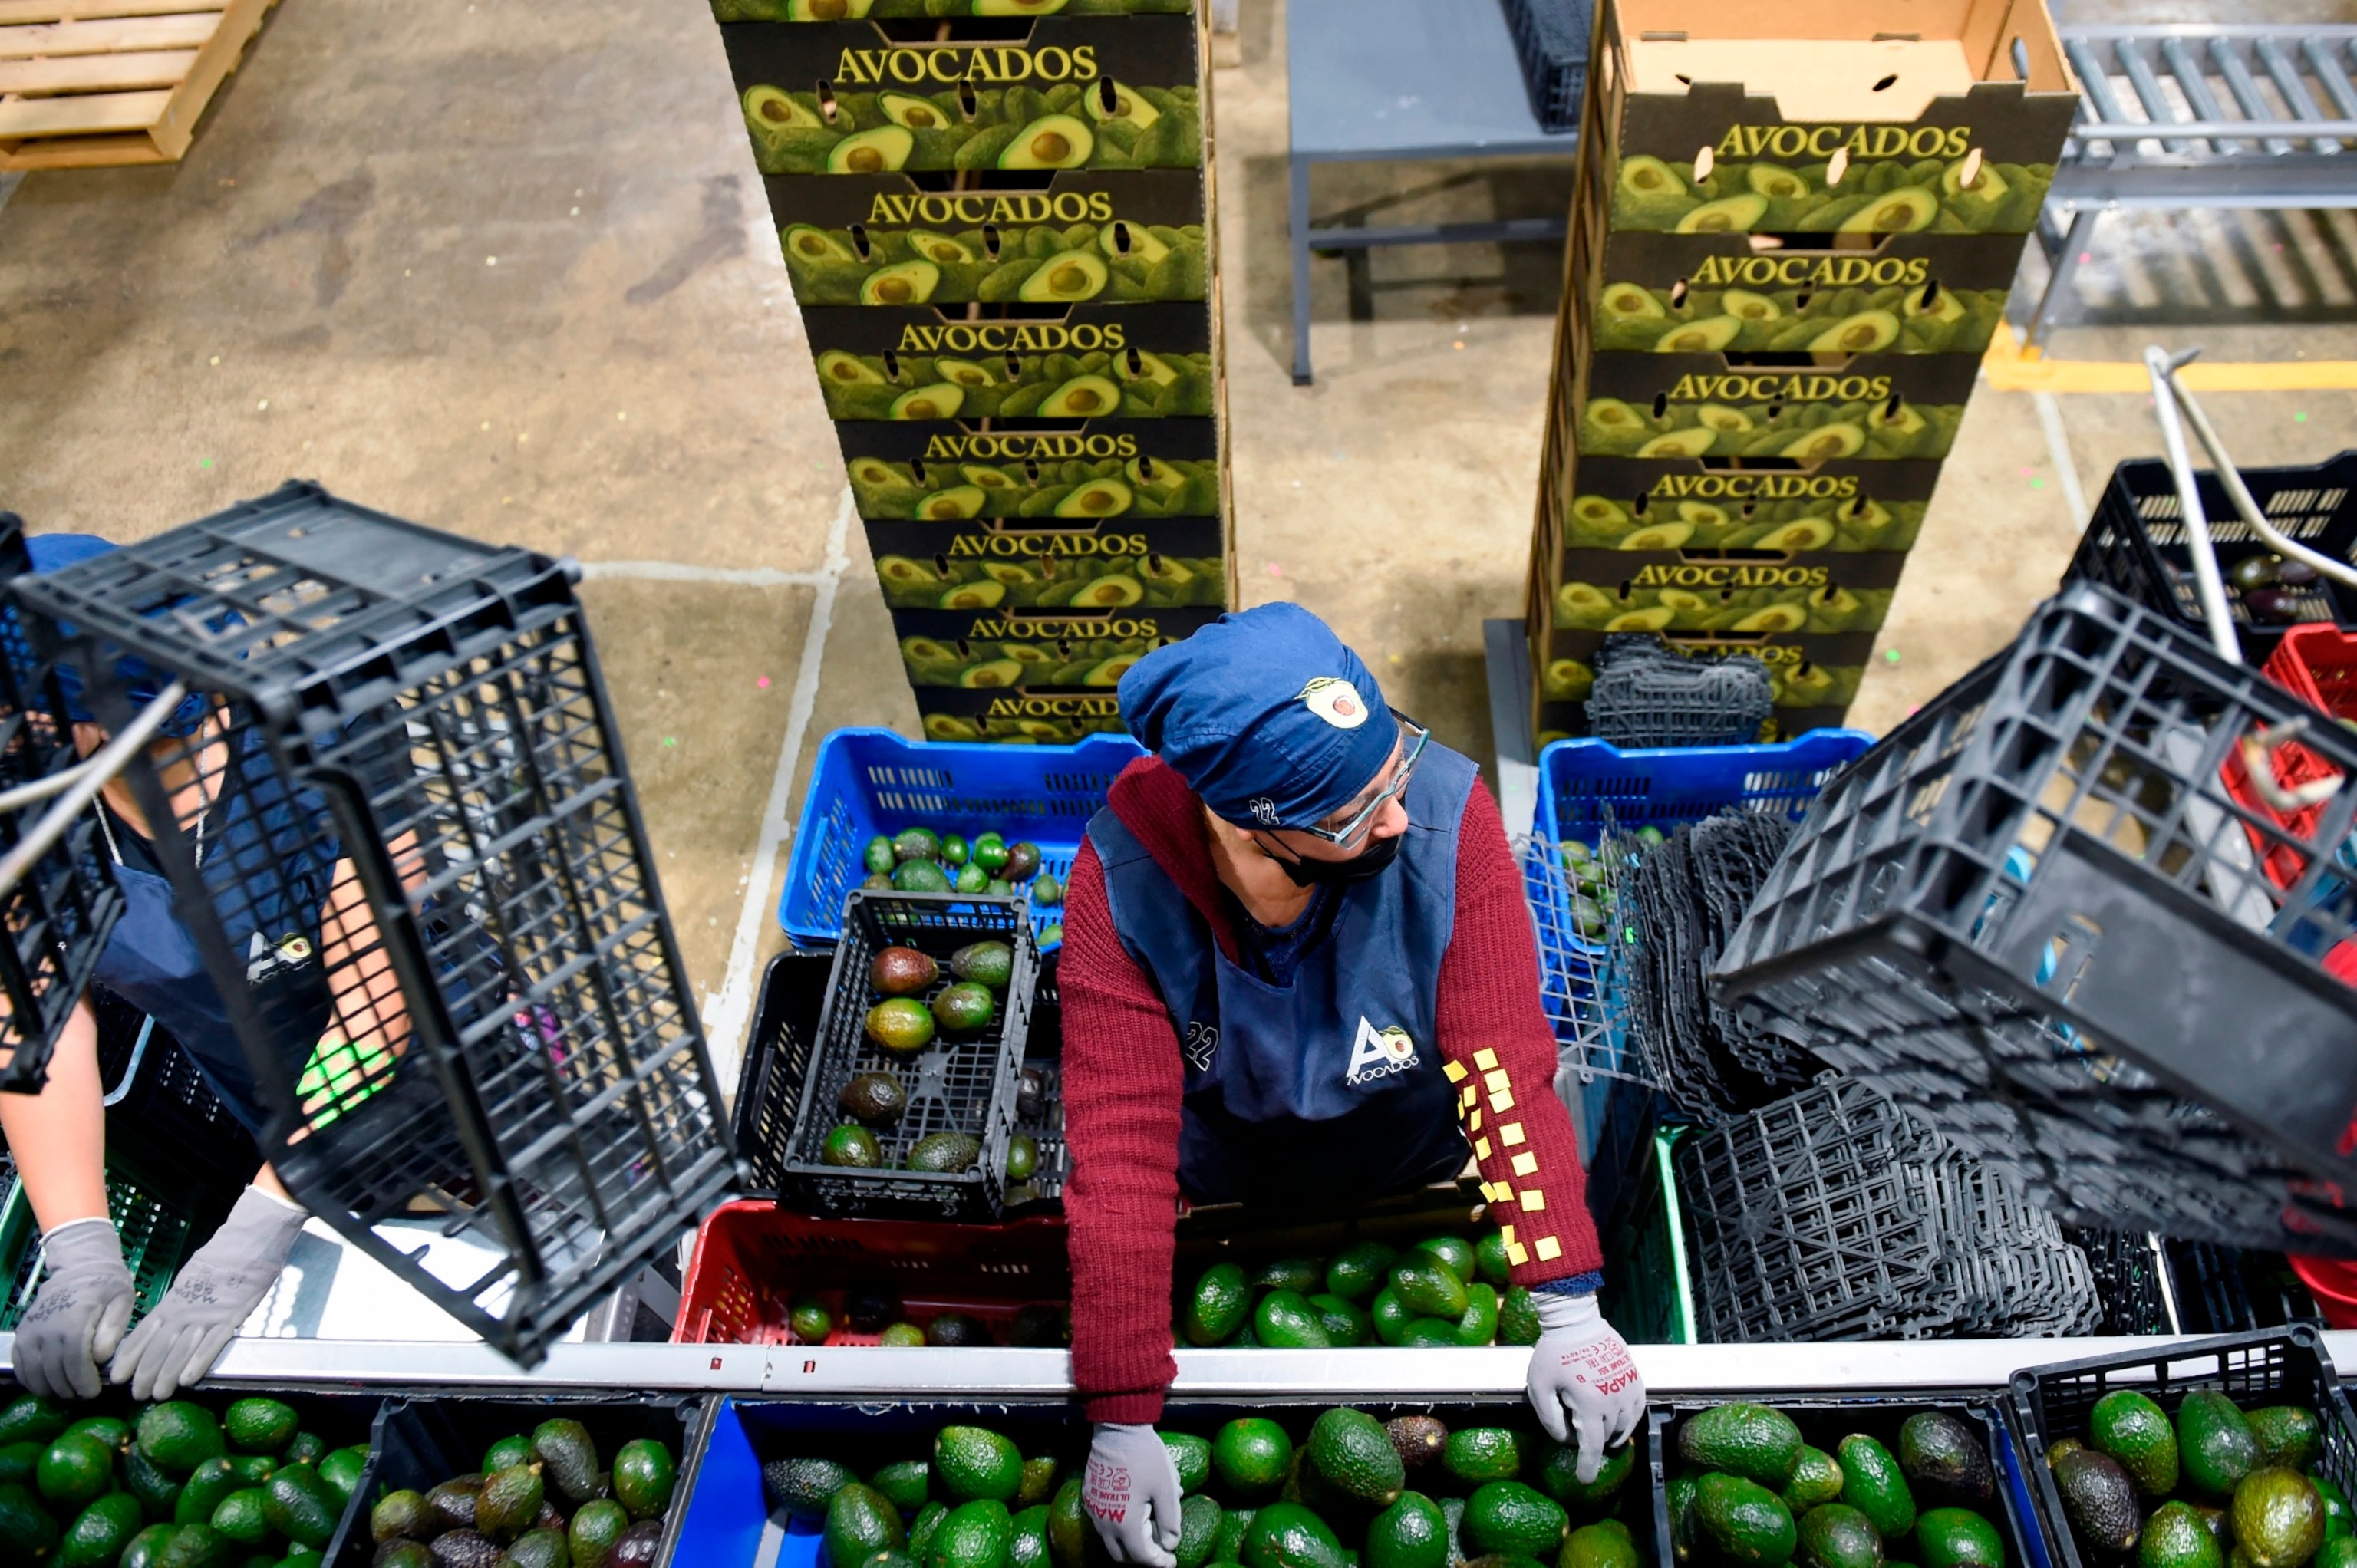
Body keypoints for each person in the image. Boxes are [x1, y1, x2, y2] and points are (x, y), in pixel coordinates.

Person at [1058, 604, 1647, 1567]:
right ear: (1251, 825)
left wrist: (1566, 1302)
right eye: (1352, 813)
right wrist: (1120, 1410)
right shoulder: (1120, 889)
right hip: (1236, 1180)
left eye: (1395, 769)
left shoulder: (1451, 830)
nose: (1396, 818)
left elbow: (1504, 1062)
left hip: (1410, 1155)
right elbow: (1119, 1158)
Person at [2, 532, 414, 1402]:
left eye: (25, 726)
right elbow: (35, 1014)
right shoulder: (36, 813)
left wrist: (254, 1230)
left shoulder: (322, 736)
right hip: (261, 1094)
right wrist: (76, 1239)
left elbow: (376, 1017)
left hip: (438, 1067)